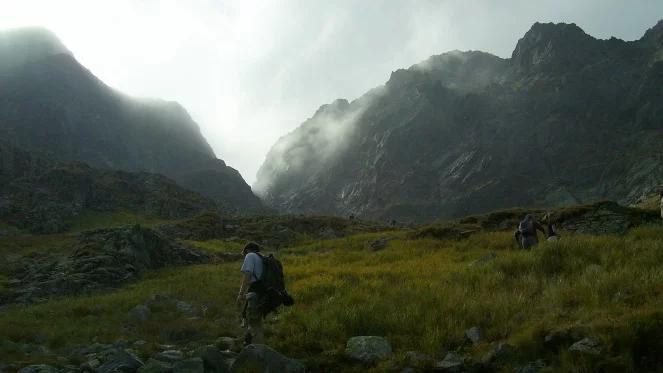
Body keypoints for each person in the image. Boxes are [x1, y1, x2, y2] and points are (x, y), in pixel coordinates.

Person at [237, 242, 264, 345]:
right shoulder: (262, 257)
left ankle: (257, 349)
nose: (243, 256)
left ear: (247, 250)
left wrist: (240, 294)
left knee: (254, 321)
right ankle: (250, 343)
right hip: (264, 292)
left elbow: (247, 275)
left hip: (255, 290)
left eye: (243, 253)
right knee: (256, 320)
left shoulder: (250, 255)